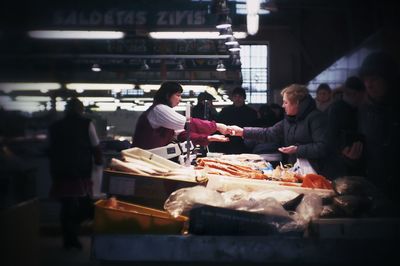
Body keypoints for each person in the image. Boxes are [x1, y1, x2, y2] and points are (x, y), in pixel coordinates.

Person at [229, 84, 330, 176]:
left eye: (285, 102)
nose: (282, 106)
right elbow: (269, 133)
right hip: (298, 171)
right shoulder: (289, 120)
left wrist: (297, 149)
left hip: (318, 174)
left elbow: (323, 147)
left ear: (297, 103)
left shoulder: (316, 118)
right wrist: (242, 131)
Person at [48, 97, 103, 250]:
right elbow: (96, 147)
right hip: (80, 171)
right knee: (86, 205)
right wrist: (99, 164)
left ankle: (69, 238)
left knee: (66, 206)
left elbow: (50, 148)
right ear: (81, 109)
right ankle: (74, 234)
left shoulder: (55, 126)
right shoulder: (86, 123)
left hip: (60, 171)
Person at [132, 82, 229, 150]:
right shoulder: (159, 109)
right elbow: (188, 123)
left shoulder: (162, 110)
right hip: (143, 159)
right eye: (178, 95)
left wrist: (207, 138)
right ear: (167, 95)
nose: (180, 99)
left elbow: (182, 134)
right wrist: (216, 126)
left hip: (150, 158)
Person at [357, 51, 400, 203]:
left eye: (374, 79)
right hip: (376, 189)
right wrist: (352, 157)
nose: (368, 84)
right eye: (365, 80)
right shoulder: (365, 110)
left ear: (389, 79)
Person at [325, 76, 366, 178]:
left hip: (347, 161)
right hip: (340, 165)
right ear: (354, 94)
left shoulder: (351, 108)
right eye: (361, 95)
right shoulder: (336, 110)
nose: (363, 99)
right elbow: (331, 138)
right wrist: (343, 150)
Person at [214, 87, 258, 154]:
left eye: (240, 96)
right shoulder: (225, 111)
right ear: (232, 98)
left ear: (244, 98)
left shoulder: (252, 112)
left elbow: (254, 129)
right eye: (235, 96)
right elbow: (219, 127)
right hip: (228, 143)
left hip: (245, 144)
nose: (237, 99)